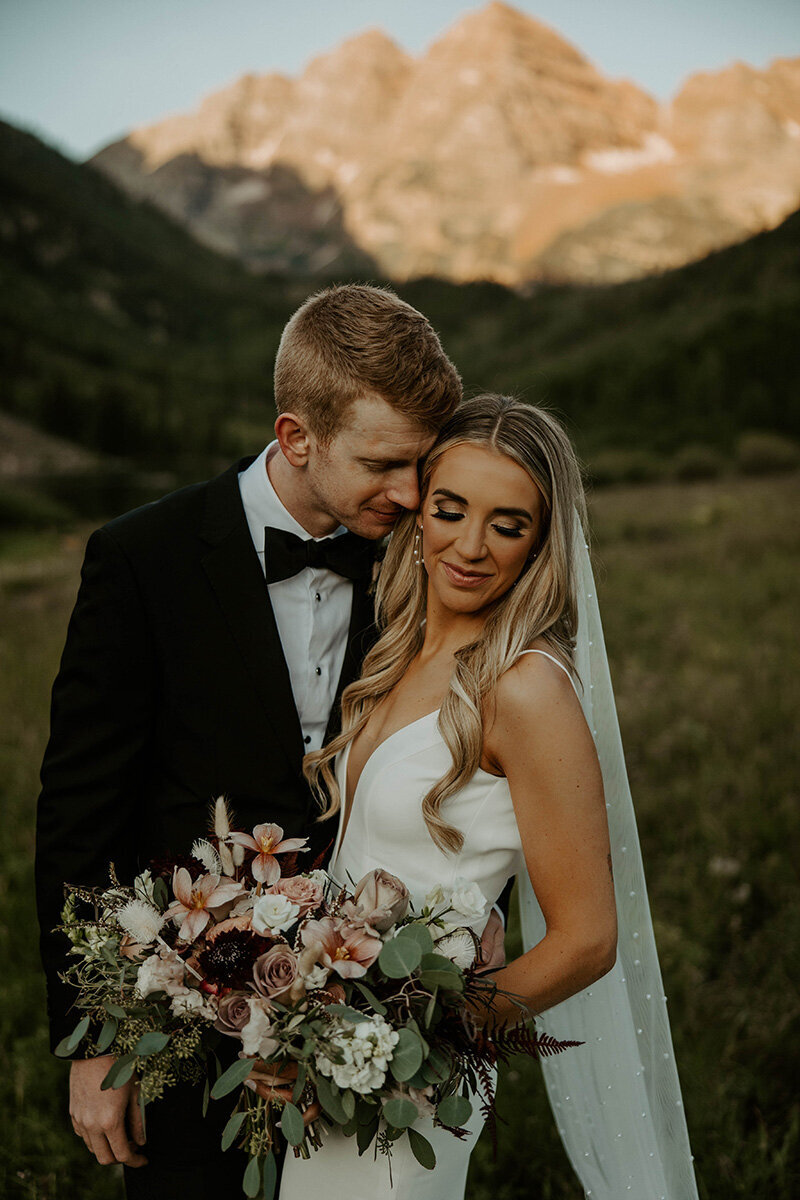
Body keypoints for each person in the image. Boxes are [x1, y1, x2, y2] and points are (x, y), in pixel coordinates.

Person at [36, 284, 509, 1199]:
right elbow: (79, 815)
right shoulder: (144, 559)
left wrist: (483, 904)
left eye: (423, 465)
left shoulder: (433, 557)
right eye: (383, 464)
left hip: (376, 1010)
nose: (413, 495)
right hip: (182, 1017)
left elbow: (490, 750)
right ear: (297, 438)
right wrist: (94, 1042)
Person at [279, 394, 699, 1200]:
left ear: (542, 542)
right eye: (450, 510)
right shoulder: (396, 648)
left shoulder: (528, 690)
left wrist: (420, 1042)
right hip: (328, 1053)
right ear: (421, 510)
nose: (470, 547)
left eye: (507, 525)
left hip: (409, 1079)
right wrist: (302, 1028)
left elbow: (587, 938)